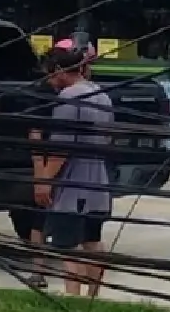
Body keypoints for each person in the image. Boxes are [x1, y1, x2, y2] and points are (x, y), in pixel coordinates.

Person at [31, 40, 115, 298]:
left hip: (72, 185)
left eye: (50, 74)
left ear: (58, 69)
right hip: (98, 181)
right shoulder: (101, 94)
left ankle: (73, 297)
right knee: (93, 240)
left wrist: (44, 181)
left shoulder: (69, 98)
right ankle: (93, 296)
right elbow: (109, 138)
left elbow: (61, 149)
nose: (49, 81)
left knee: (68, 245)